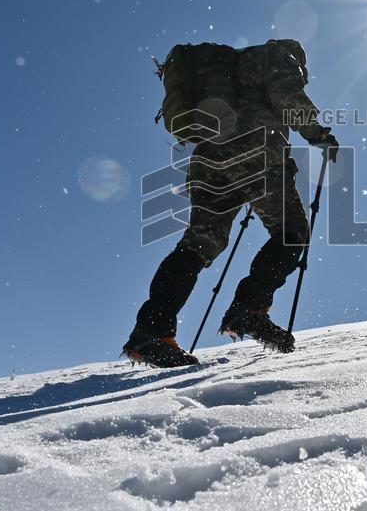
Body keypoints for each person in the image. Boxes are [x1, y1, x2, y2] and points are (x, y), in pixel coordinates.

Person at [124, 39, 339, 367]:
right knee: (292, 232)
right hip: (256, 153)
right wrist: (317, 133)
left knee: (197, 246)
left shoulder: (226, 67)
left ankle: (152, 331)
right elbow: (286, 95)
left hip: (209, 160)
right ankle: (249, 310)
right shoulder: (279, 56)